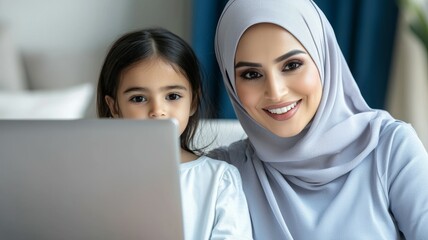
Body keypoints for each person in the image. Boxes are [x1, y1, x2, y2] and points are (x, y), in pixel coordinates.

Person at [212, 0, 428, 239]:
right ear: (231, 83)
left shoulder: (390, 149)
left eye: (292, 65)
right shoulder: (224, 173)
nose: (275, 91)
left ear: (323, 58)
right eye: (251, 74)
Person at [97, 27, 253, 240]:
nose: (157, 110)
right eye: (138, 98)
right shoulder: (97, 180)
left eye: (172, 96)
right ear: (114, 108)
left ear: (193, 102)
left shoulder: (219, 179)